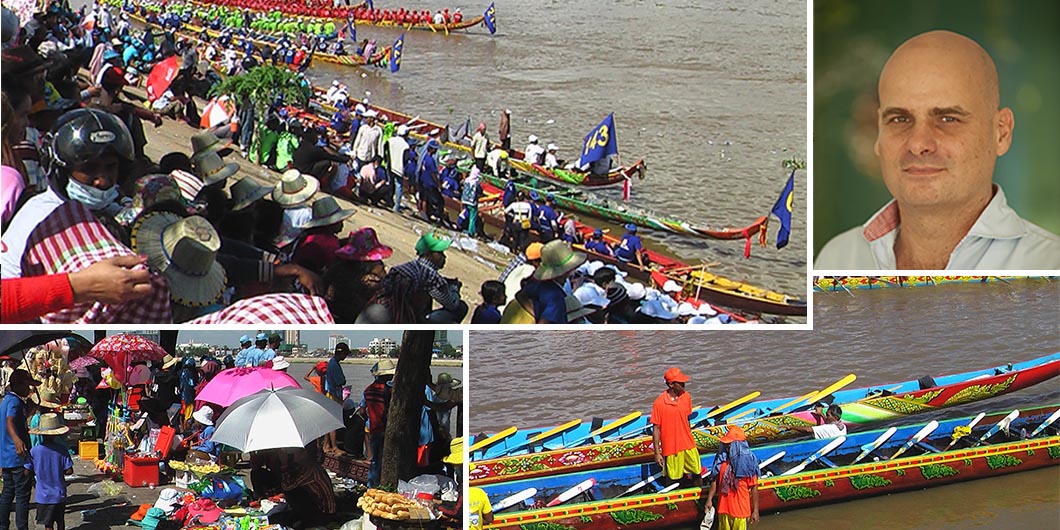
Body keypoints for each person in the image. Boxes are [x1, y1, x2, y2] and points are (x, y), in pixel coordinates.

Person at [815, 30, 1060, 269]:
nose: (918, 144)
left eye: (948, 119)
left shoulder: (1049, 266)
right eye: (900, 119)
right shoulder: (838, 258)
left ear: (1001, 133)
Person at [358, 233, 468, 324]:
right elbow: (451, 304)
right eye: (439, 253)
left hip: (380, 311)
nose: (444, 257)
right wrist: (454, 288)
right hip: (400, 318)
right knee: (461, 308)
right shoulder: (431, 276)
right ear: (428, 254)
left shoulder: (405, 267)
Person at [650, 367, 701, 489]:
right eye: (680, 383)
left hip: (688, 444)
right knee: (673, 478)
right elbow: (656, 429)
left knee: (697, 472)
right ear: (671, 384)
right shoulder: (659, 403)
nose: (684, 385)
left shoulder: (686, 397)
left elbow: (686, 421)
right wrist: (657, 453)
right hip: (671, 448)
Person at [0, 370, 38, 530]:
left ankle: (3, 525)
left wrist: (31, 406)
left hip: (7, 456)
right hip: (17, 456)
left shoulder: (9, 400)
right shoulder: (14, 402)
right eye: (27, 385)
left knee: (8, 493)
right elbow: (10, 421)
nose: (28, 388)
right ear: (17, 385)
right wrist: (17, 441)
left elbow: (17, 420)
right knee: (22, 496)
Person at [704, 425, 760, 529]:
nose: (727, 447)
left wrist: (755, 510)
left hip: (741, 512)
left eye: (730, 445)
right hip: (723, 509)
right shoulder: (721, 461)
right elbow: (715, 481)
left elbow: (754, 487)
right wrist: (709, 499)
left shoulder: (747, 465)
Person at [26, 414, 72, 530]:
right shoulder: (62, 450)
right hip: (59, 494)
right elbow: (69, 470)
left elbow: (26, 471)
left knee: (48, 524)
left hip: (43, 496)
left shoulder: (34, 451)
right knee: (60, 521)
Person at [360, 358, 393, 487]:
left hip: (373, 427)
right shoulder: (388, 390)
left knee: (374, 460)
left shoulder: (368, 390)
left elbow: (362, 410)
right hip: (384, 428)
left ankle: (371, 485)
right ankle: (379, 485)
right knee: (383, 460)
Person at [323, 343, 348, 454]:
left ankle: (326, 445)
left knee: (329, 421)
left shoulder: (332, 363)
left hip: (331, 394)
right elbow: (340, 381)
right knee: (333, 422)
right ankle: (334, 446)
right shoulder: (334, 365)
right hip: (334, 395)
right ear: (341, 353)